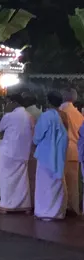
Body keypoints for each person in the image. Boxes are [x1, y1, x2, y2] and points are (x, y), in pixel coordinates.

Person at [33, 91, 69, 220]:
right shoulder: (63, 116)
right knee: (56, 182)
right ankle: (57, 212)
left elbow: (37, 137)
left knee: (44, 184)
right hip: (59, 155)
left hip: (45, 155)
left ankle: (45, 212)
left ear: (48, 102)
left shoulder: (46, 116)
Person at [0, 94, 34, 213]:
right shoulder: (29, 116)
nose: (6, 105)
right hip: (23, 152)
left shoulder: (10, 116)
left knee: (5, 178)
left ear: (14, 103)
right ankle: (24, 205)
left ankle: (6, 205)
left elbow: (0, 128)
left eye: (8, 102)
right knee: (22, 179)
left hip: (9, 152)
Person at [59, 88, 83, 217]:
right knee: (74, 183)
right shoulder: (78, 114)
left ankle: (63, 207)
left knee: (62, 181)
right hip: (76, 150)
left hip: (63, 149)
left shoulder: (61, 112)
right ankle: (74, 208)